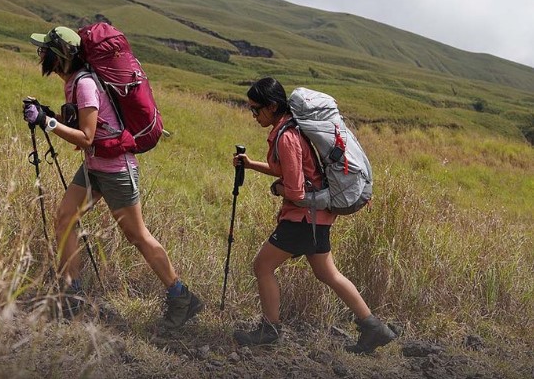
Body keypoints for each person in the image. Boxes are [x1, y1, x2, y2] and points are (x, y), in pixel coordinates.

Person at [23, 25, 203, 327]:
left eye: (46, 50)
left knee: (138, 236)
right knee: (65, 218)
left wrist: (47, 122)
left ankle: (182, 296)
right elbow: (84, 125)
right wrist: (48, 114)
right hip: (95, 167)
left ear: (60, 56)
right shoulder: (74, 83)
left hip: (117, 169)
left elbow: (87, 137)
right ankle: (71, 297)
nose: (41, 54)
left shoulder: (84, 85)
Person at [232, 77, 396, 353]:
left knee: (262, 266)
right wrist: (251, 165)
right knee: (327, 273)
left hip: (302, 218)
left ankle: (270, 330)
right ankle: (373, 327)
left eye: (255, 109)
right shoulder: (290, 130)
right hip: (317, 218)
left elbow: (295, 190)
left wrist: (276, 189)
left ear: (272, 106)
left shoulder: (286, 136)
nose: (253, 115)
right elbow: (287, 170)